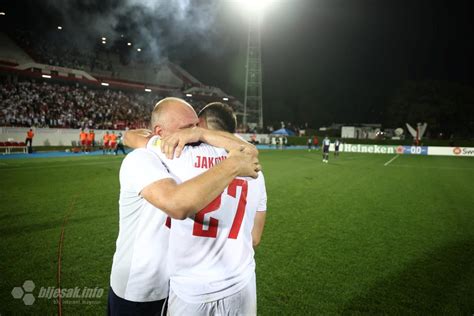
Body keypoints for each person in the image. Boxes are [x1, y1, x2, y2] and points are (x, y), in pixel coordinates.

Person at [108, 98, 260, 316]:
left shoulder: (190, 155)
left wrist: (201, 134)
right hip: (142, 288)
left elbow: (248, 151)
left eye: (196, 126)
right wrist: (233, 165)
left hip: (178, 285)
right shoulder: (141, 159)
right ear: (160, 132)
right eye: (187, 128)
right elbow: (177, 204)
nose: (193, 133)